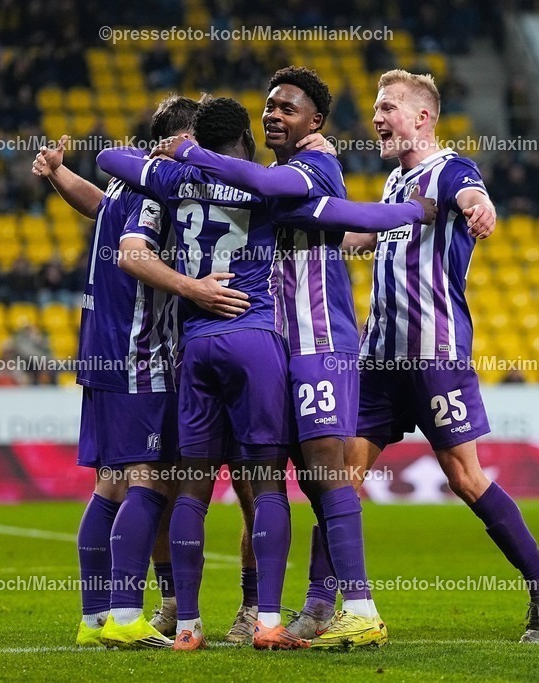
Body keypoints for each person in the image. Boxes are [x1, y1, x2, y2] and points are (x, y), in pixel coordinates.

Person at [98, 95, 436, 651]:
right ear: (247, 144)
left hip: (195, 345)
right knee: (268, 482)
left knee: (191, 488)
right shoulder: (265, 191)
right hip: (258, 340)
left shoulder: (171, 182)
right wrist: (417, 212)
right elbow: (353, 216)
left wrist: (175, 156)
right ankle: (269, 621)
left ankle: (185, 624)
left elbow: (111, 160)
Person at [341, 69, 539, 644]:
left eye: (388, 106)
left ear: (423, 117)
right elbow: (361, 236)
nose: (376, 117)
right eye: (375, 106)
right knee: (340, 481)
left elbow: (472, 194)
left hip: (433, 354)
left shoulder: (449, 170)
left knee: (466, 479)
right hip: (379, 358)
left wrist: (481, 208)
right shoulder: (396, 184)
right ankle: (334, 605)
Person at [33, 96, 251, 650]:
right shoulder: (158, 187)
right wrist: (193, 287)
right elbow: (134, 254)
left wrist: (60, 174)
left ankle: (93, 617)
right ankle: (127, 613)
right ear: (179, 141)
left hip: (103, 349)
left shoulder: (132, 189)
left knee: (111, 482)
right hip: (137, 350)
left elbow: (99, 203)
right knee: (150, 481)